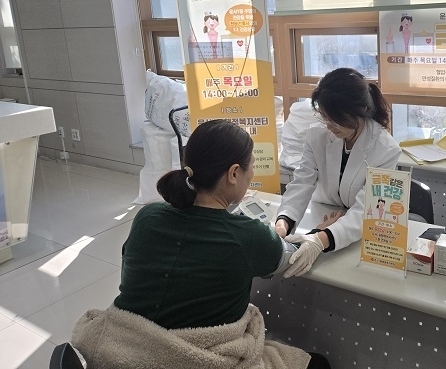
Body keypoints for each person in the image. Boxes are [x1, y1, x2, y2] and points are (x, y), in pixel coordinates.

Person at [71, 120, 330, 369]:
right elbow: (292, 256)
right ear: (234, 173)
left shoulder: (147, 217)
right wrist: (321, 235)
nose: (252, 173)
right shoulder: (249, 236)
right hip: (192, 359)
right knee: (316, 363)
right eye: (251, 166)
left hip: (123, 351)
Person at [274, 68, 401, 277]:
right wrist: (283, 222)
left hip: (357, 231)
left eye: (336, 119)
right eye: (325, 117)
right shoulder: (317, 135)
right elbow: (302, 182)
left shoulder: (386, 149)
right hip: (322, 212)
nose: (329, 126)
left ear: (361, 110)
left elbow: (368, 210)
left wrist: (320, 240)